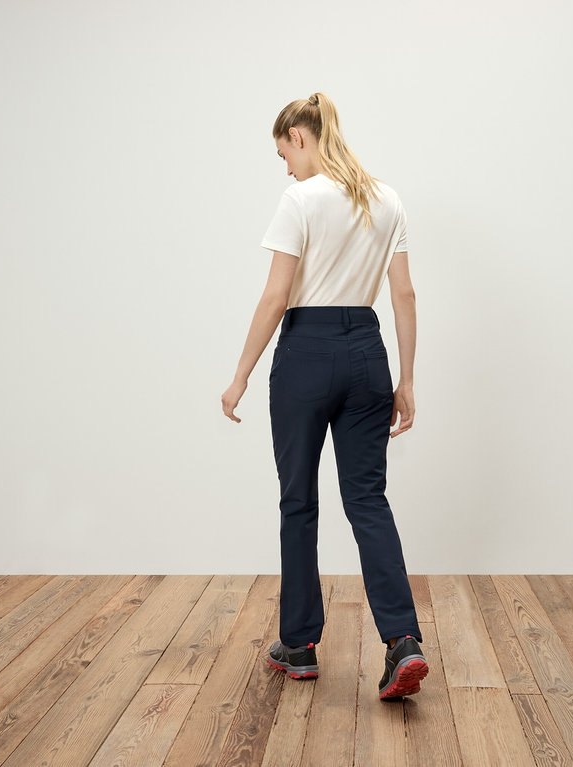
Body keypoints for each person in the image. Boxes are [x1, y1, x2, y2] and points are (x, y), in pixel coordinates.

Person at [220, 91, 428, 700]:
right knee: (368, 499)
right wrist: (406, 380)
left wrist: (240, 375)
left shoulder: (300, 199)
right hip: (367, 348)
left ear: (301, 137)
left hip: (307, 352)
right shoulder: (386, 199)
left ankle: (301, 646)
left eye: (284, 151)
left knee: (298, 500)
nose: (285, 166)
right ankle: (403, 643)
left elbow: (275, 296)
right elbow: (405, 296)